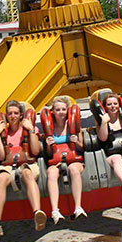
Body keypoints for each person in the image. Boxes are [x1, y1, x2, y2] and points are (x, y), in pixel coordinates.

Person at [0, 100, 46, 237]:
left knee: (27, 173)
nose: (13, 116)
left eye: (16, 113)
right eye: (10, 113)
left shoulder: (30, 128)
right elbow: (1, 156)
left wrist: (31, 130)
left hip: (27, 164)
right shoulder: (4, 132)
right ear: (6, 116)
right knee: (1, 178)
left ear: (21, 115)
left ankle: (37, 213)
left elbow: (36, 151)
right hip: (8, 165)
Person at [42, 96, 86, 224]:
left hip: (74, 160)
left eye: (63, 109)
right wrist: (48, 144)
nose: (61, 112)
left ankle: (78, 207)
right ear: (53, 112)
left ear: (67, 110)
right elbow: (48, 153)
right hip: (56, 161)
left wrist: (76, 141)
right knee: (51, 173)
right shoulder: (49, 128)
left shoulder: (74, 125)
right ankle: (55, 211)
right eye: (57, 110)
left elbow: (82, 148)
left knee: (73, 169)